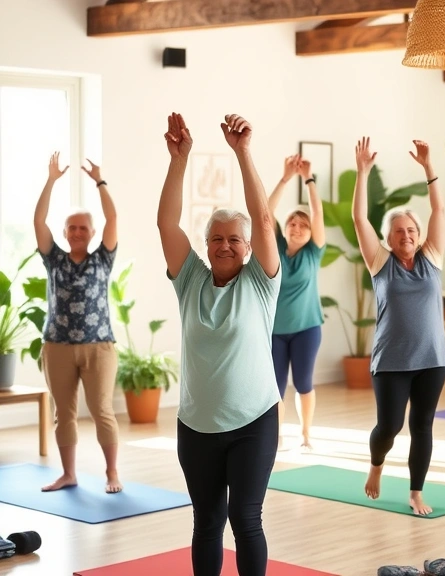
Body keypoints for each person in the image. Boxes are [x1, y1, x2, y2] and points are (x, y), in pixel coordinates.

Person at [157, 112, 281, 576]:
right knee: (206, 522)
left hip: (253, 421)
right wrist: (179, 160)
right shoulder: (189, 280)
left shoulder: (261, 283)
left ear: (248, 248)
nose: (225, 245)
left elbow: (266, 220)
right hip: (196, 424)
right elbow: (166, 225)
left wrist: (242, 152)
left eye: (235, 239)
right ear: (206, 245)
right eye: (216, 238)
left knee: (245, 518)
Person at [353, 136, 445, 516]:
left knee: (422, 426)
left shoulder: (433, 258)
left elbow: (439, 210)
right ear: (389, 239)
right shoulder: (380, 263)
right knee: (389, 427)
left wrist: (428, 168)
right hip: (391, 360)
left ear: (419, 235)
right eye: (398, 232)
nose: (406, 236)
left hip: (432, 360)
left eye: (411, 231)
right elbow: (360, 219)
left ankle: (415, 492)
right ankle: (377, 464)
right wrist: (363, 173)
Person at [33, 152, 122, 494]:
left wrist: (99, 180)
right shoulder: (53, 257)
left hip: (99, 346)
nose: (78, 232)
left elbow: (113, 215)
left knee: (102, 410)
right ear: (66, 232)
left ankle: (112, 473)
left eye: (84, 227)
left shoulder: (103, 257)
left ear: (92, 232)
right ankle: (69, 474)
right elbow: (38, 221)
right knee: (63, 413)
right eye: (72, 227)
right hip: (57, 346)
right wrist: (51, 180)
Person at [266, 154, 327, 450]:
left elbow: (317, 214)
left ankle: (305, 434)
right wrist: (286, 177)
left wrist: (309, 180)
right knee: (276, 387)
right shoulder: (276, 245)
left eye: (303, 224)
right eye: (292, 222)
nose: (298, 227)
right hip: (276, 330)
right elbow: (265, 212)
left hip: (306, 328)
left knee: (303, 382)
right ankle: (275, 435)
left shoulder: (314, 252)